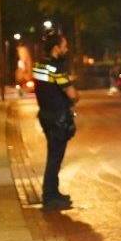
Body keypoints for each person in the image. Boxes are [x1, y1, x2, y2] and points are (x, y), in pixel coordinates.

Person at [32, 29, 79, 210]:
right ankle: (50, 196)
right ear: (56, 48)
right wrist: (74, 93)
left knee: (53, 154)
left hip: (45, 115)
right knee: (55, 157)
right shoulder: (56, 68)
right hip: (58, 118)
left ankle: (53, 191)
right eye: (64, 46)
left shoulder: (39, 65)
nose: (66, 49)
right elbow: (72, 94)